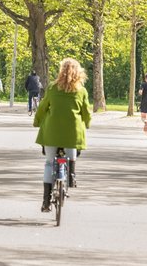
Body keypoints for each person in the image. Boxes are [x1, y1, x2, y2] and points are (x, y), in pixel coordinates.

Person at [33, 58, 91, 212]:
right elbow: (86, 112)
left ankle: (46, 201)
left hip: (52, 132)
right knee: (71, 153)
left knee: (49, 163)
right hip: (72, 133)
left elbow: (43, 107)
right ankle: (71, 174)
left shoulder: (52, 88)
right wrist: (87, 123)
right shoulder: (82, 91)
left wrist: (37, 121)